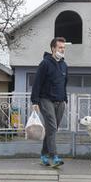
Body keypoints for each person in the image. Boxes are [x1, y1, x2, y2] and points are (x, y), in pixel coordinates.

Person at [31, 37, 69, 167]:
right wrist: (35, 101)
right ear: (53, 48)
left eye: (63, 48)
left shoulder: (64, 65)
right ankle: (54, 157)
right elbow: (37, 83)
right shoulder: (45, 63)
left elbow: (64, 84)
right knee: (52, 127)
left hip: (60, 102)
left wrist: (65, 99)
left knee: (52, 129)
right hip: (45, 99)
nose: (62, 50)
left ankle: (43, 155)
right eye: (60, 47)